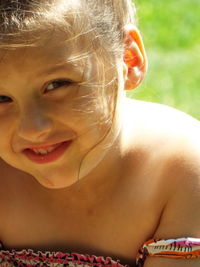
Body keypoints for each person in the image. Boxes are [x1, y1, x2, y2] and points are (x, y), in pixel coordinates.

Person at [0, 0, 199, 266]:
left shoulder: (179, 171)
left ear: (129, 59)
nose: (33, 129)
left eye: (58, 84)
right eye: (1, 98)